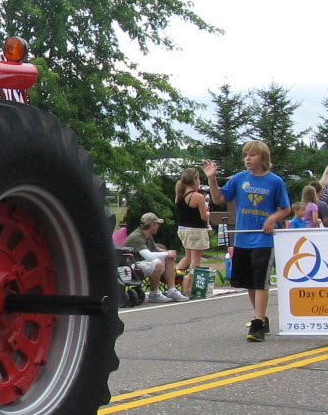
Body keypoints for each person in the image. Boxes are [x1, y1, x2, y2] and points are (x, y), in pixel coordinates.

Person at [203, 142, 290, 342]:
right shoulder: (239, 179)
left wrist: (272, 218)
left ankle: (257, 323)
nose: (248, 159)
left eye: (252, 155)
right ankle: (260, 318)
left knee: (260, 280)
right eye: (246, 155)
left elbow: (285, 208)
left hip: (263, 237)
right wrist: (212, 178)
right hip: (242, 237)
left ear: (263, 158)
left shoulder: (275, 181)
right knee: (249, 281)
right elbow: (218, 198)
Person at [124, 212, 184, 303]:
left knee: (169, 257)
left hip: (141, 263)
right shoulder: (137, 236)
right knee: (158, 263)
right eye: (157, 224)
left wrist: (169, 253)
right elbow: (148, 256)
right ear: (152, 225)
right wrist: (166, 253)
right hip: (130, 266)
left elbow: (156, 250)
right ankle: (154, 293)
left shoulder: (148, 236)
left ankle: (172, 290)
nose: (158, 226)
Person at [172, 166, 210, 297]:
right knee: (195, 261)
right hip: (196, 231)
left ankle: (173, 278)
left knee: (187, 257)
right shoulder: (198, 196)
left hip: (183, 230)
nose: (200, 181)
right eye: (198, 178)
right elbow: (203, 217)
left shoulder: (179, 195)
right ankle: (189, 283)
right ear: (194, 180)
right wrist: (208, 213)